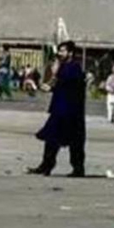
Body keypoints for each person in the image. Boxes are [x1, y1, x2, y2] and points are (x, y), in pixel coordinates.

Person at [29, 41, 86, 177]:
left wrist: (54, 81)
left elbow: (70, 86)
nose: (60, 54)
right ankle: (46, 165)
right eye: (59, 51)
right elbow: (58, 84)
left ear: (70, 53)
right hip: (60, 109)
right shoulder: (63, 66)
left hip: (71, 111)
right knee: (51, 138)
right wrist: (50, 85)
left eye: (63, 51)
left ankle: (78, 168)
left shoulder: (74, 67)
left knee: (75, 141)